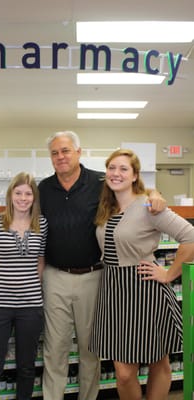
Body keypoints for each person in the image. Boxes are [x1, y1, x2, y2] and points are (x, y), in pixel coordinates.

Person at [0, 131, 166, 400]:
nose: (60, 157)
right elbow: (19, 209)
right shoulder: (43, 189)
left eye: (66, 151)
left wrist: (155, 192)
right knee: (55, 349)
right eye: (55, 153)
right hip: (54, 277)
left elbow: (132, 190)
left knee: (90, 350)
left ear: (79, 152)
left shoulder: (100, 183)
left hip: (93, 276)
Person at [89, 148, 194, 400]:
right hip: (114, 291)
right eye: (112, 168)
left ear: (135, 175)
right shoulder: (107, 207)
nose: (116, 173)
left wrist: (169, 274)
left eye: (123, 168)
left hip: (145, 290)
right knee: (124, 373)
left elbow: (190, 237)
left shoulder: (149, 206)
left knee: (159, 361)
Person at [0, 172, 48, 400]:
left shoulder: (41, 224)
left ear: (34, 197)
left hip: (31, 307)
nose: (23, 198)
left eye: (28, 193)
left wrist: (31, 287)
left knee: (26, 368)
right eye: (18, 193)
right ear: (10, 195)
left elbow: (40, 261)